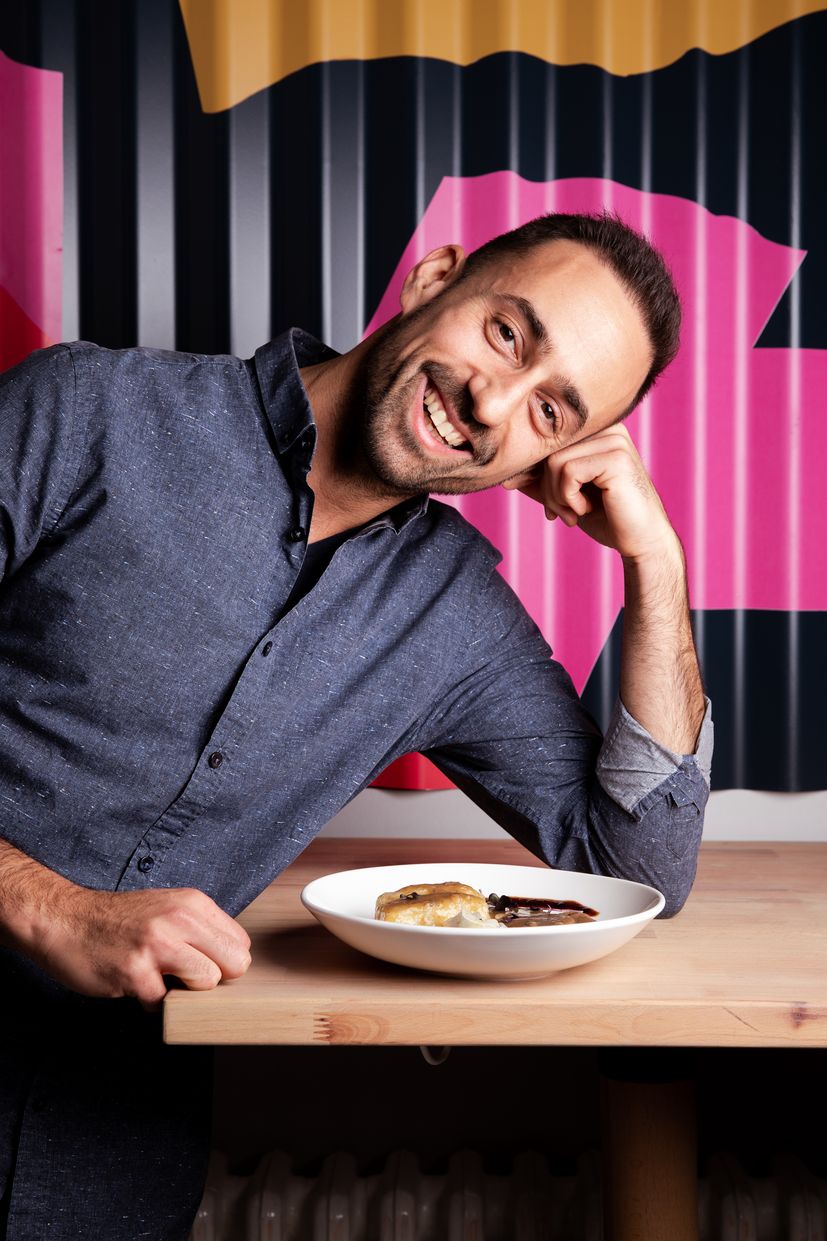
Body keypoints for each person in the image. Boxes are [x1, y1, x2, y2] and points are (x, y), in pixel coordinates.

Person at [0, 211, 711, 1238]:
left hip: (105, 1154)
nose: (490, 401)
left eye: (550, 410)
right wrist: (44, 907)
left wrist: (656, 562)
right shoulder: (84, 408)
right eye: (507, 333)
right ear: (433, 277)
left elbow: (640, 864)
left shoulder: (456, 618)